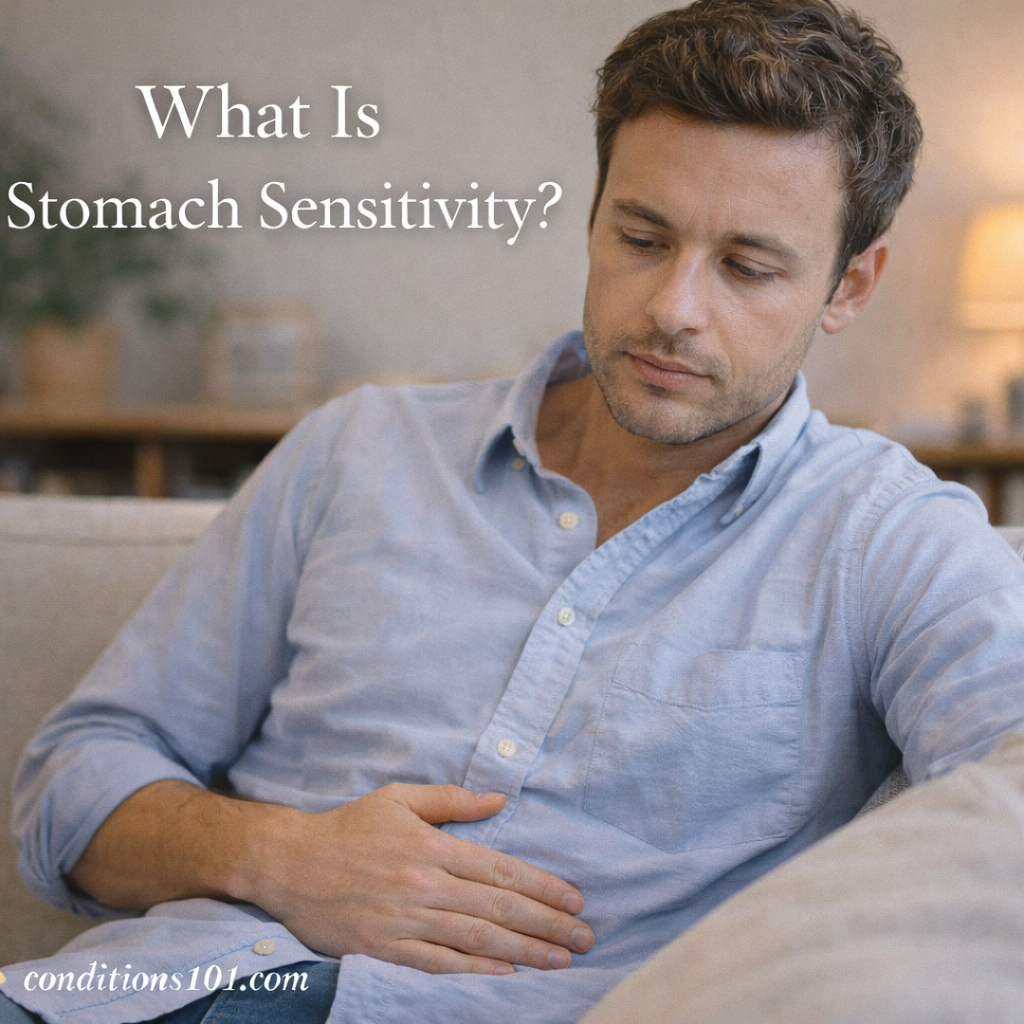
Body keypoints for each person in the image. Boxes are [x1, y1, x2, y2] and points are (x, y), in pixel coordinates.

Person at [5, 1, 1024, 1022]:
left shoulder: (885, 535)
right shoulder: (357, 449)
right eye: (641, 235)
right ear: (592, 216)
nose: (674, 305)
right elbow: (69, 780)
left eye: (747, 267)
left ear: (849, 284)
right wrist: (279, 855)